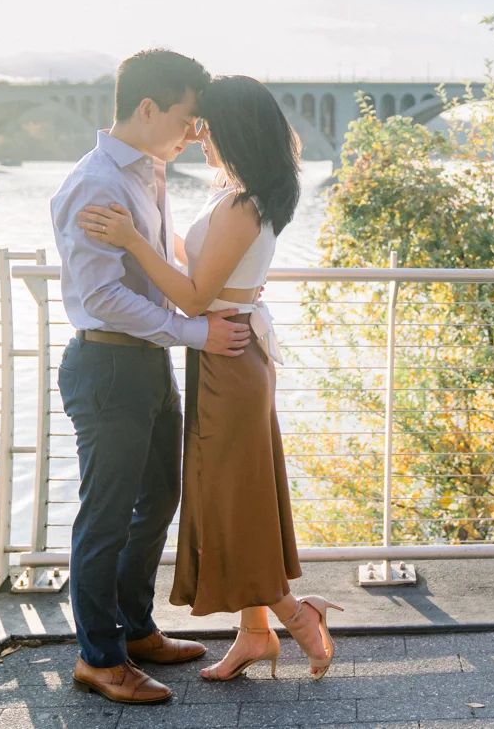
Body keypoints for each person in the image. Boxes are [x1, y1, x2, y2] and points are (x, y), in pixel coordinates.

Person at [77, 75, 343, 685]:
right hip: (225, 355)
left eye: (209, 128)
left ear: (236, 132)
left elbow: (195, 299)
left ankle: (300, 617)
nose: (199, 138)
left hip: (228, 359)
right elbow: (202, 267)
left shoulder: (244, 203)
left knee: (228, 502)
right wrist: (154, 235)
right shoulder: (245, 194)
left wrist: (131, 241)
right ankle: (254, 635)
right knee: (238, 499)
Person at [50, 50, 253, 705]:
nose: (194, 132)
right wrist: (195, 331)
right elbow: (103, 297)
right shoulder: (96, 183)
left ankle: (134, 628)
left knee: (159, 498)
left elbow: (160, 267)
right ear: (147, 108)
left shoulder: (148, 173)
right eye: (187, 117)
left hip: (145, 363)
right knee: (105, 518)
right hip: (107, 364)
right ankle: (100, 658)